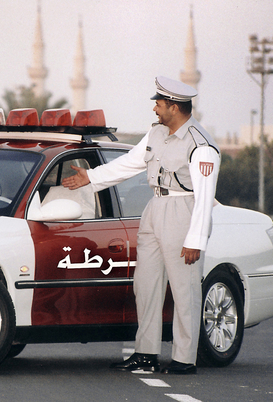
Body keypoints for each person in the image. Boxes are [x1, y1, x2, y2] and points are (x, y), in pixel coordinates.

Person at [62, 76, 220, 374]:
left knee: (184, 290)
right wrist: (91, 177)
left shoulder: (201, 145)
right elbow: (131, 163)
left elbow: (204, 196)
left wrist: (195, 239)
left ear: (174, 106)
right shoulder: (157, 134)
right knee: (145, 285)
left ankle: (184, 358)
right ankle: (145, 353)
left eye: (159, 104)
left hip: (182, 211)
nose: (155, 109)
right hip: (155, 207)